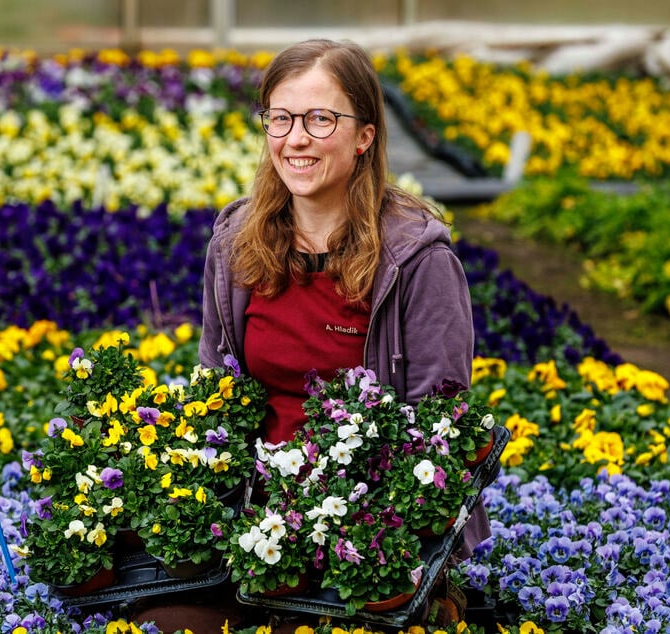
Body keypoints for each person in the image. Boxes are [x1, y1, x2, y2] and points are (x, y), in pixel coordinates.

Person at [136, 38, 485, 631]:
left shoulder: (417, 261)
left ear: (365, 135)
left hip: (370, 529)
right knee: (160, 618)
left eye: (321, 118)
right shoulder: (236, 243)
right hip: (256, 522)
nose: (295, 139)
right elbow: (216, 390)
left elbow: (437, 424)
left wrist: (350, 527)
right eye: (280, 117)